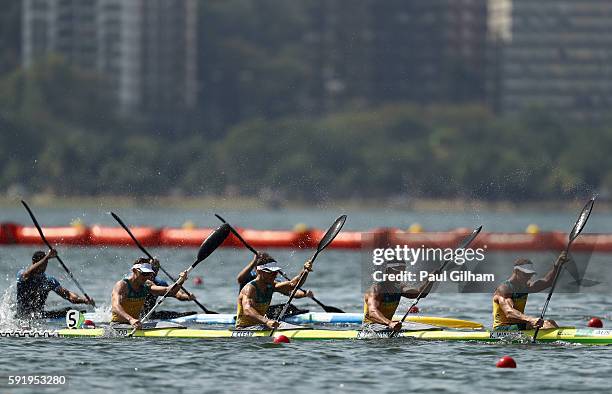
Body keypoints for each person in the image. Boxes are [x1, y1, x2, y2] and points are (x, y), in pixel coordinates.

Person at [492, 252, 569, 331]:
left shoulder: (525, 287)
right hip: (502, 328)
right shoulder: (504, 289)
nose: (528, 278)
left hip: (519, 325)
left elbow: (547, 282)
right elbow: (509, 312)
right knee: (547, 325)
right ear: (517, 271)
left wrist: (557, 265)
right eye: (526, 274)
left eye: (530, 274)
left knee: (551, 322)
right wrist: (531, 319)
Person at [16, 249, 95, 319]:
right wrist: (46, 257)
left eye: (46, 263)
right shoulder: (22, 274)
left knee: (71, 311)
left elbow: (68, 295)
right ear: (34, 262)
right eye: (42, 263)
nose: (44, 267)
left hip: (39, 316)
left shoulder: (49, 281)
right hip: (23, 316)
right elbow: (26, 274)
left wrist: (85, 301)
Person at [235, 260, 313, 329]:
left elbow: (293, 285)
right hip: (244, 328)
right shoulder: (250, 289)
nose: (275, 275)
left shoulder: (271, 285)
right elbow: (247, 310)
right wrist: (267, 321)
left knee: (298, 327)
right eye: (271, 272)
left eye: (275, 272)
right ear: (259, 271)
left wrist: (305, 271)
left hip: (261, 326)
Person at [111, 260, 188, 329]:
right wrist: (131, 319)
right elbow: (115, 306)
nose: (147, 277)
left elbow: (170, 291)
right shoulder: (122, 285)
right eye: (144, 273)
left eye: (149, 274)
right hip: (118, 324)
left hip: (137, 324)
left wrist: (180, 281)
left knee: (174, 326)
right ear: (134, 270)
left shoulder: (147, 285)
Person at [362, 261, 437, 332]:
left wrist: (430, 280)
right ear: (388, 271)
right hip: (371, 327)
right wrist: (390, 323)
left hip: (388, 325)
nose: (401, 275)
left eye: (403, 272)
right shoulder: (376, 290)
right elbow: (372, 313)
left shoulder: (399, 288)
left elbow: (421, 294)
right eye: (398, 272)